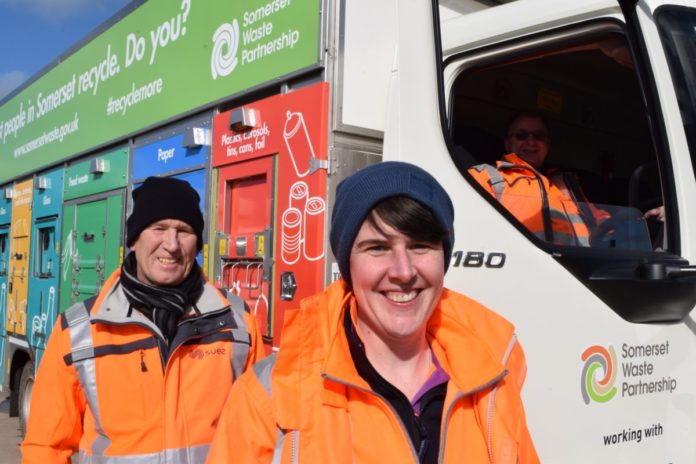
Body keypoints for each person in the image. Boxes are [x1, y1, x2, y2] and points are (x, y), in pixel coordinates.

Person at [206, 162, 539, 463]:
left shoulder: (491, 378)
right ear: (348, 264)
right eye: (378, 248)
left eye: (420, 246)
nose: (404, 271)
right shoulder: (268, 397)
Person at [21, 176, 265, 463]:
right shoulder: (78, 330)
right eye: (158, 228)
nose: (171, 245)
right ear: (134, 240)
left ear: (197, 245)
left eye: (184, 231)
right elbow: (45, 447)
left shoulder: (236, 323)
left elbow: (260, 435)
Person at [468, 110, 608, 246]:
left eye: (539, 136)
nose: (531, 142)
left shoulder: (566, 183)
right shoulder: (485, 176)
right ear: (507, 143)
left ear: (547, 144)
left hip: (578, 266)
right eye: (521, 135)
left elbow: (600, 221)